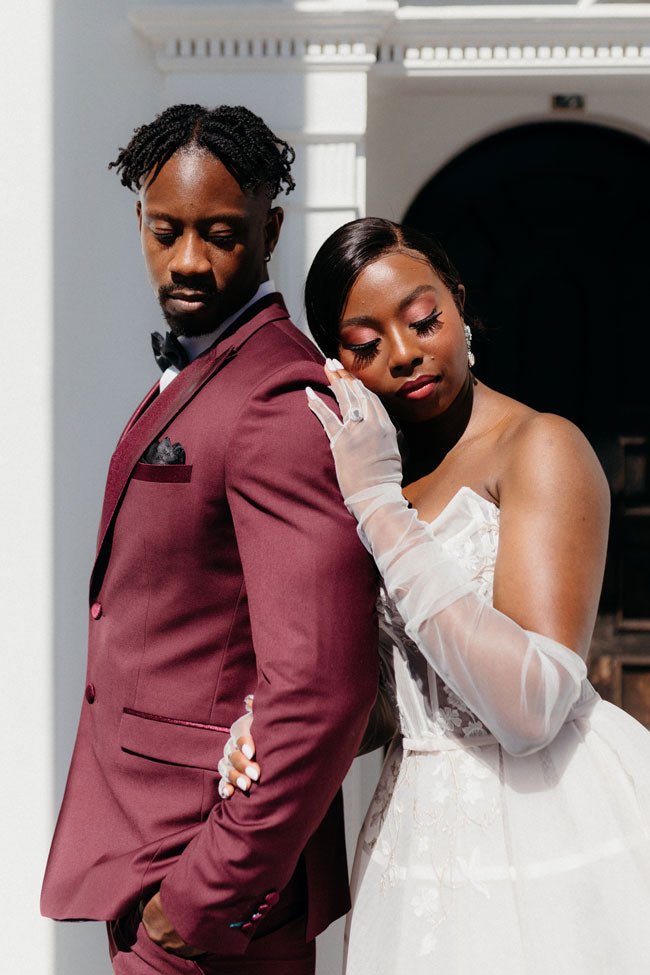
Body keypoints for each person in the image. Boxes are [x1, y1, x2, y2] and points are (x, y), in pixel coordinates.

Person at [221, 217, 650, 973]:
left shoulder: (539, 447)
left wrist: (382, 511)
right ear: (340, 367)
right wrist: (270, 727)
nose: (406, 351)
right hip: (412, 847)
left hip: (553, 825)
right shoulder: (375, 471)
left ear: (457, 300)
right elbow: (395, 706)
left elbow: (532, 707)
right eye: (365, 343)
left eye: (423, 320)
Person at [40, 105, 379, 975]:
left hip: (208, 895)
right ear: (141, 224)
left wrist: (198, 901)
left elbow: (322, 688)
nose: (189, 259)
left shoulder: (274, 399)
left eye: (221, 233)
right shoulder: (200, 370)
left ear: (270, 229)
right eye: (167, 230)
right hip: (147, 860)